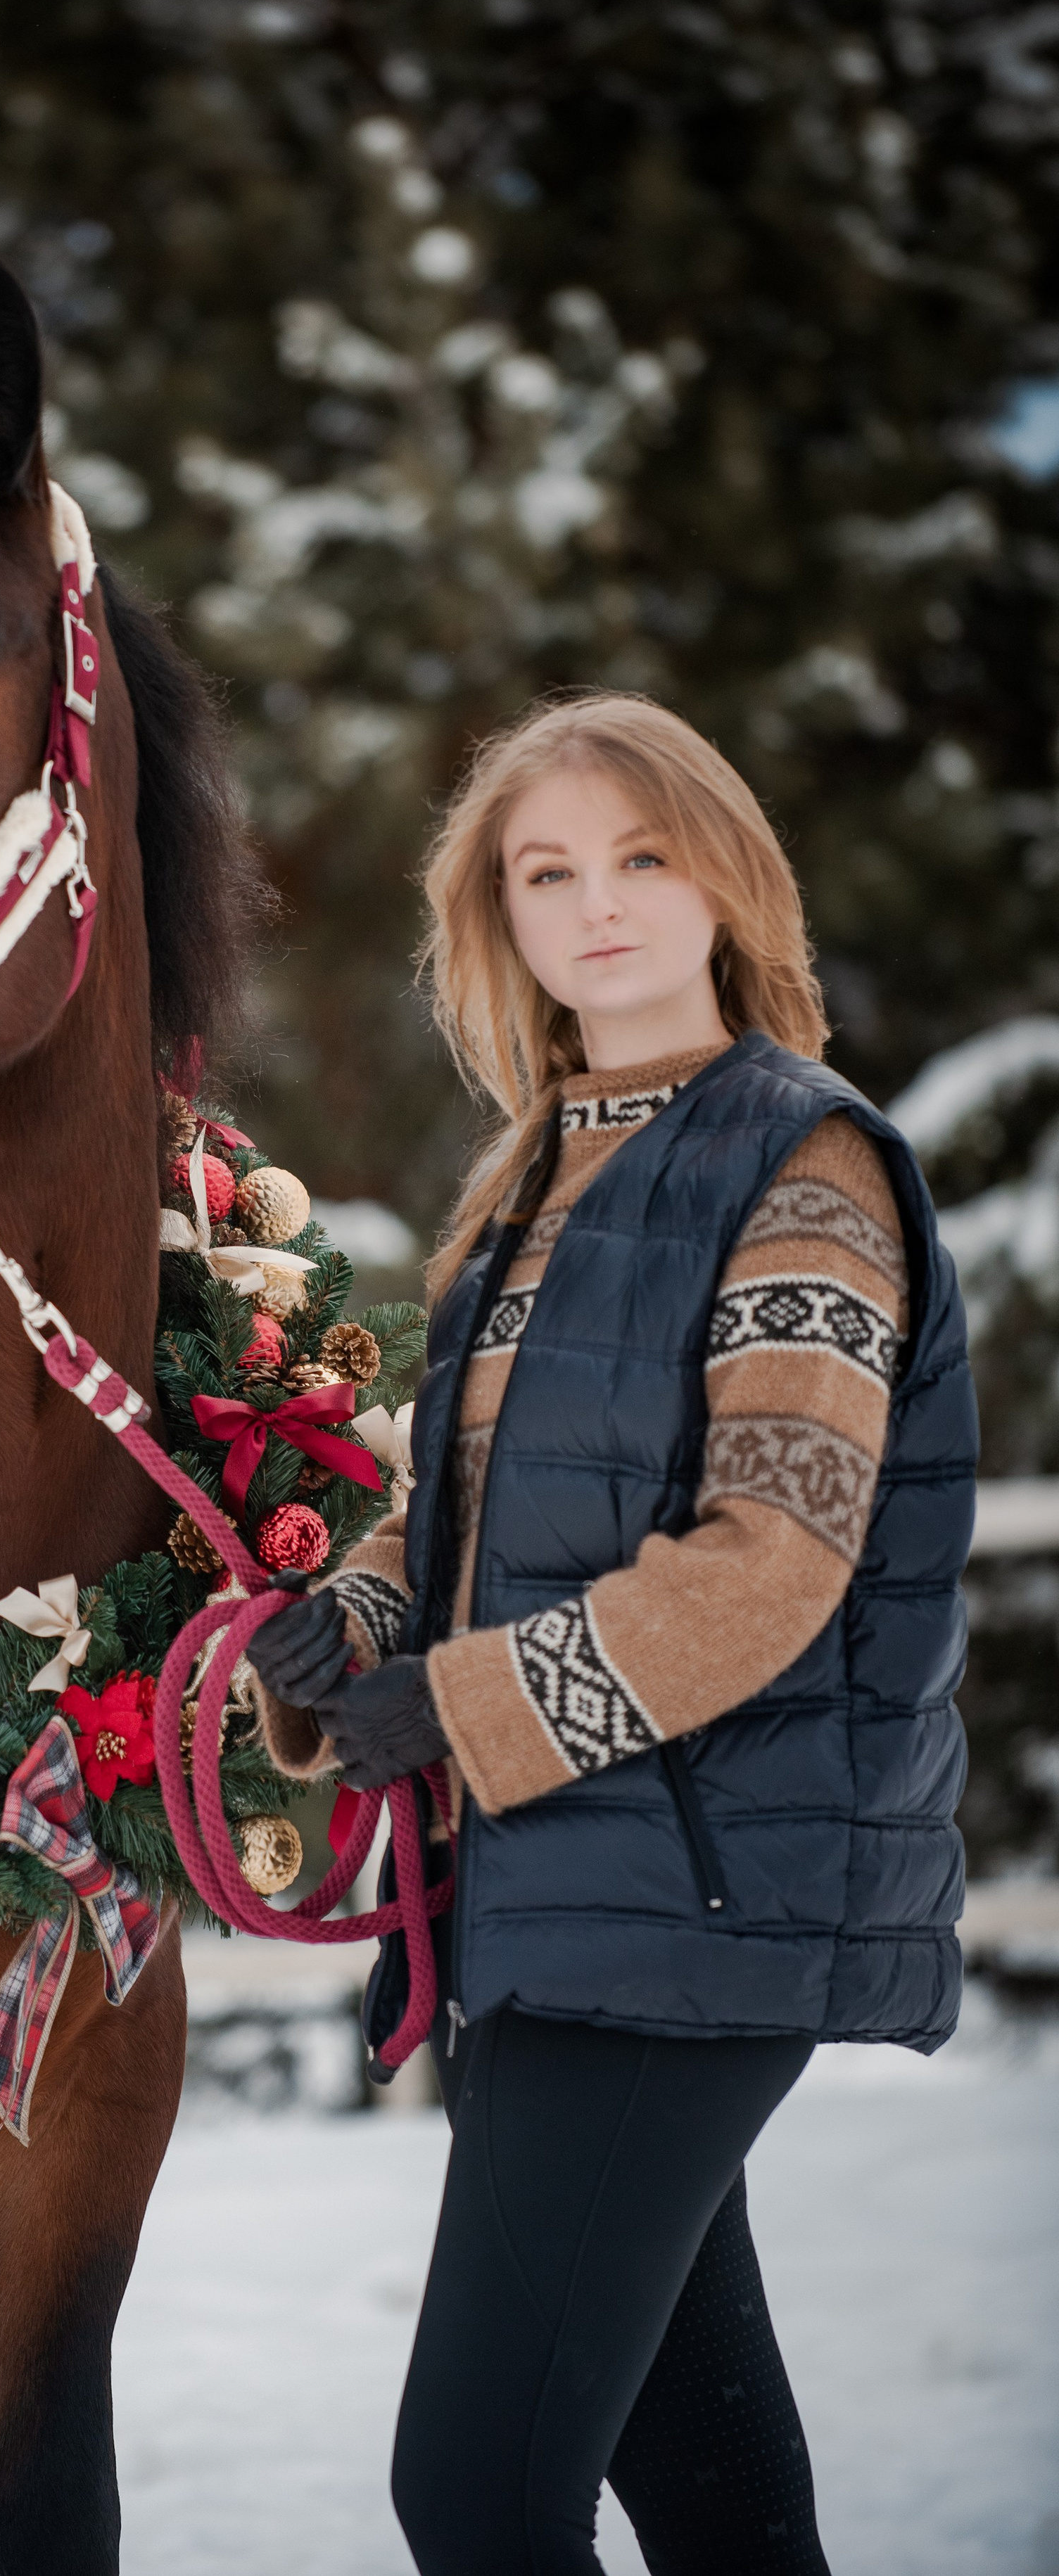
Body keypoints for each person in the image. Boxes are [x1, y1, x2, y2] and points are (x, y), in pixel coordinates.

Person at [246, 693, 975, 2576]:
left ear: (724, 873)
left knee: (476, 2494)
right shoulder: (542, 1172)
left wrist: (457, 1703)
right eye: (548, 871)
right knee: (715, 2498)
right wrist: (351, 1630)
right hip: (582, 1893)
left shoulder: (799, 1170)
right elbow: (469, 1507)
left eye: (642, 856)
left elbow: (769, 1563)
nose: (602, 906)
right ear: (501, 917)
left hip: (694, 1898)